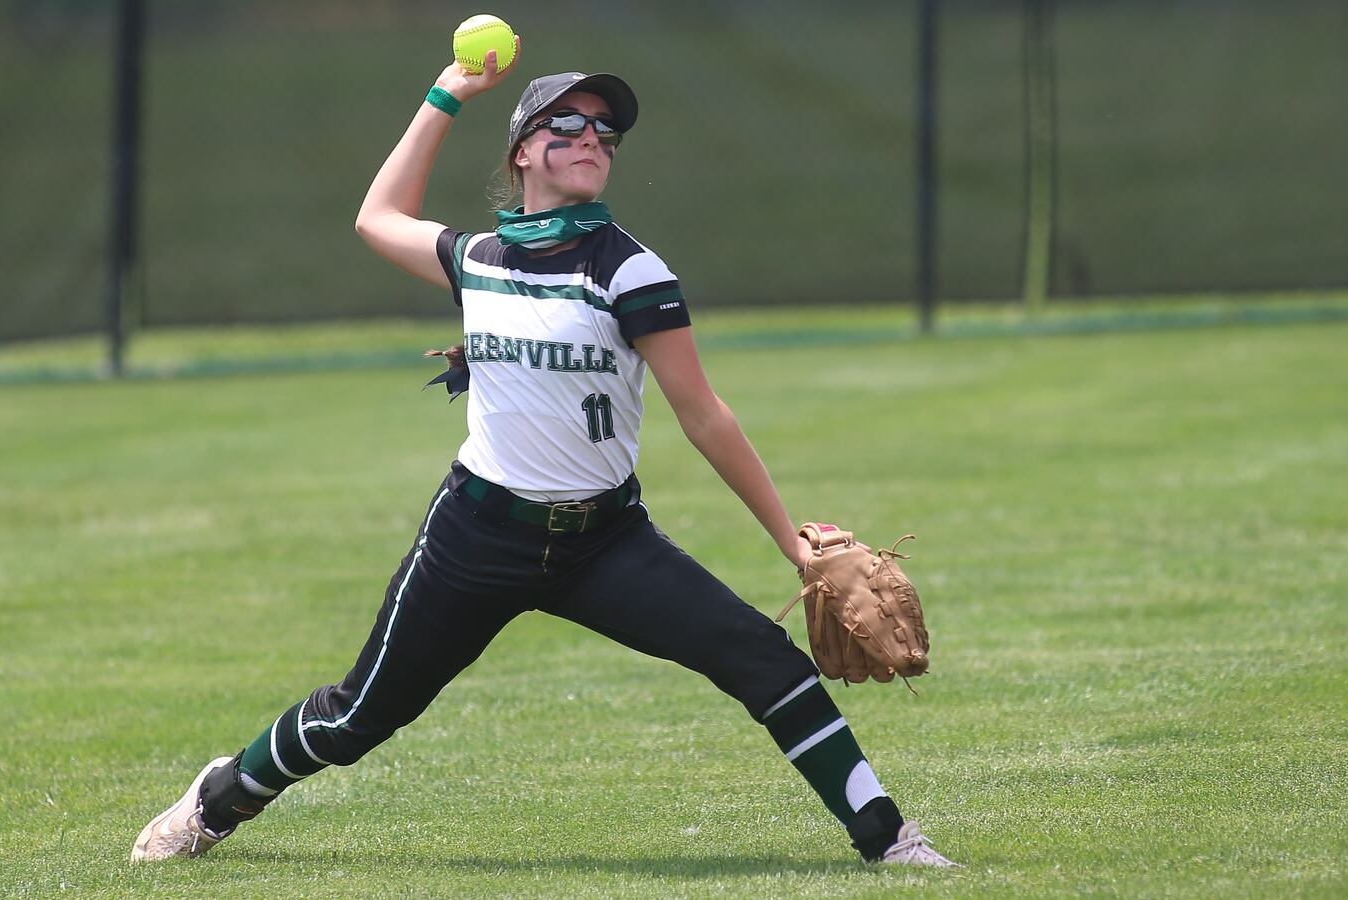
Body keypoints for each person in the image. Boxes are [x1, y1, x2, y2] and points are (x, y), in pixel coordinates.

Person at [130, 42, 959, 869]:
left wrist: (791, 543)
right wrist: (447, 95)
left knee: (761, 659)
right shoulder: (480, 261)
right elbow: (376, 218)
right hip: (476, 536)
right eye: (572, 124)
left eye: (608, 131)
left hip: (604, 541)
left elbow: (703, 415)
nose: (595, 138)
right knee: (358, 718)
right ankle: (216, 800)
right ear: (525, 148)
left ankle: (888, 842)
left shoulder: (630, 271)